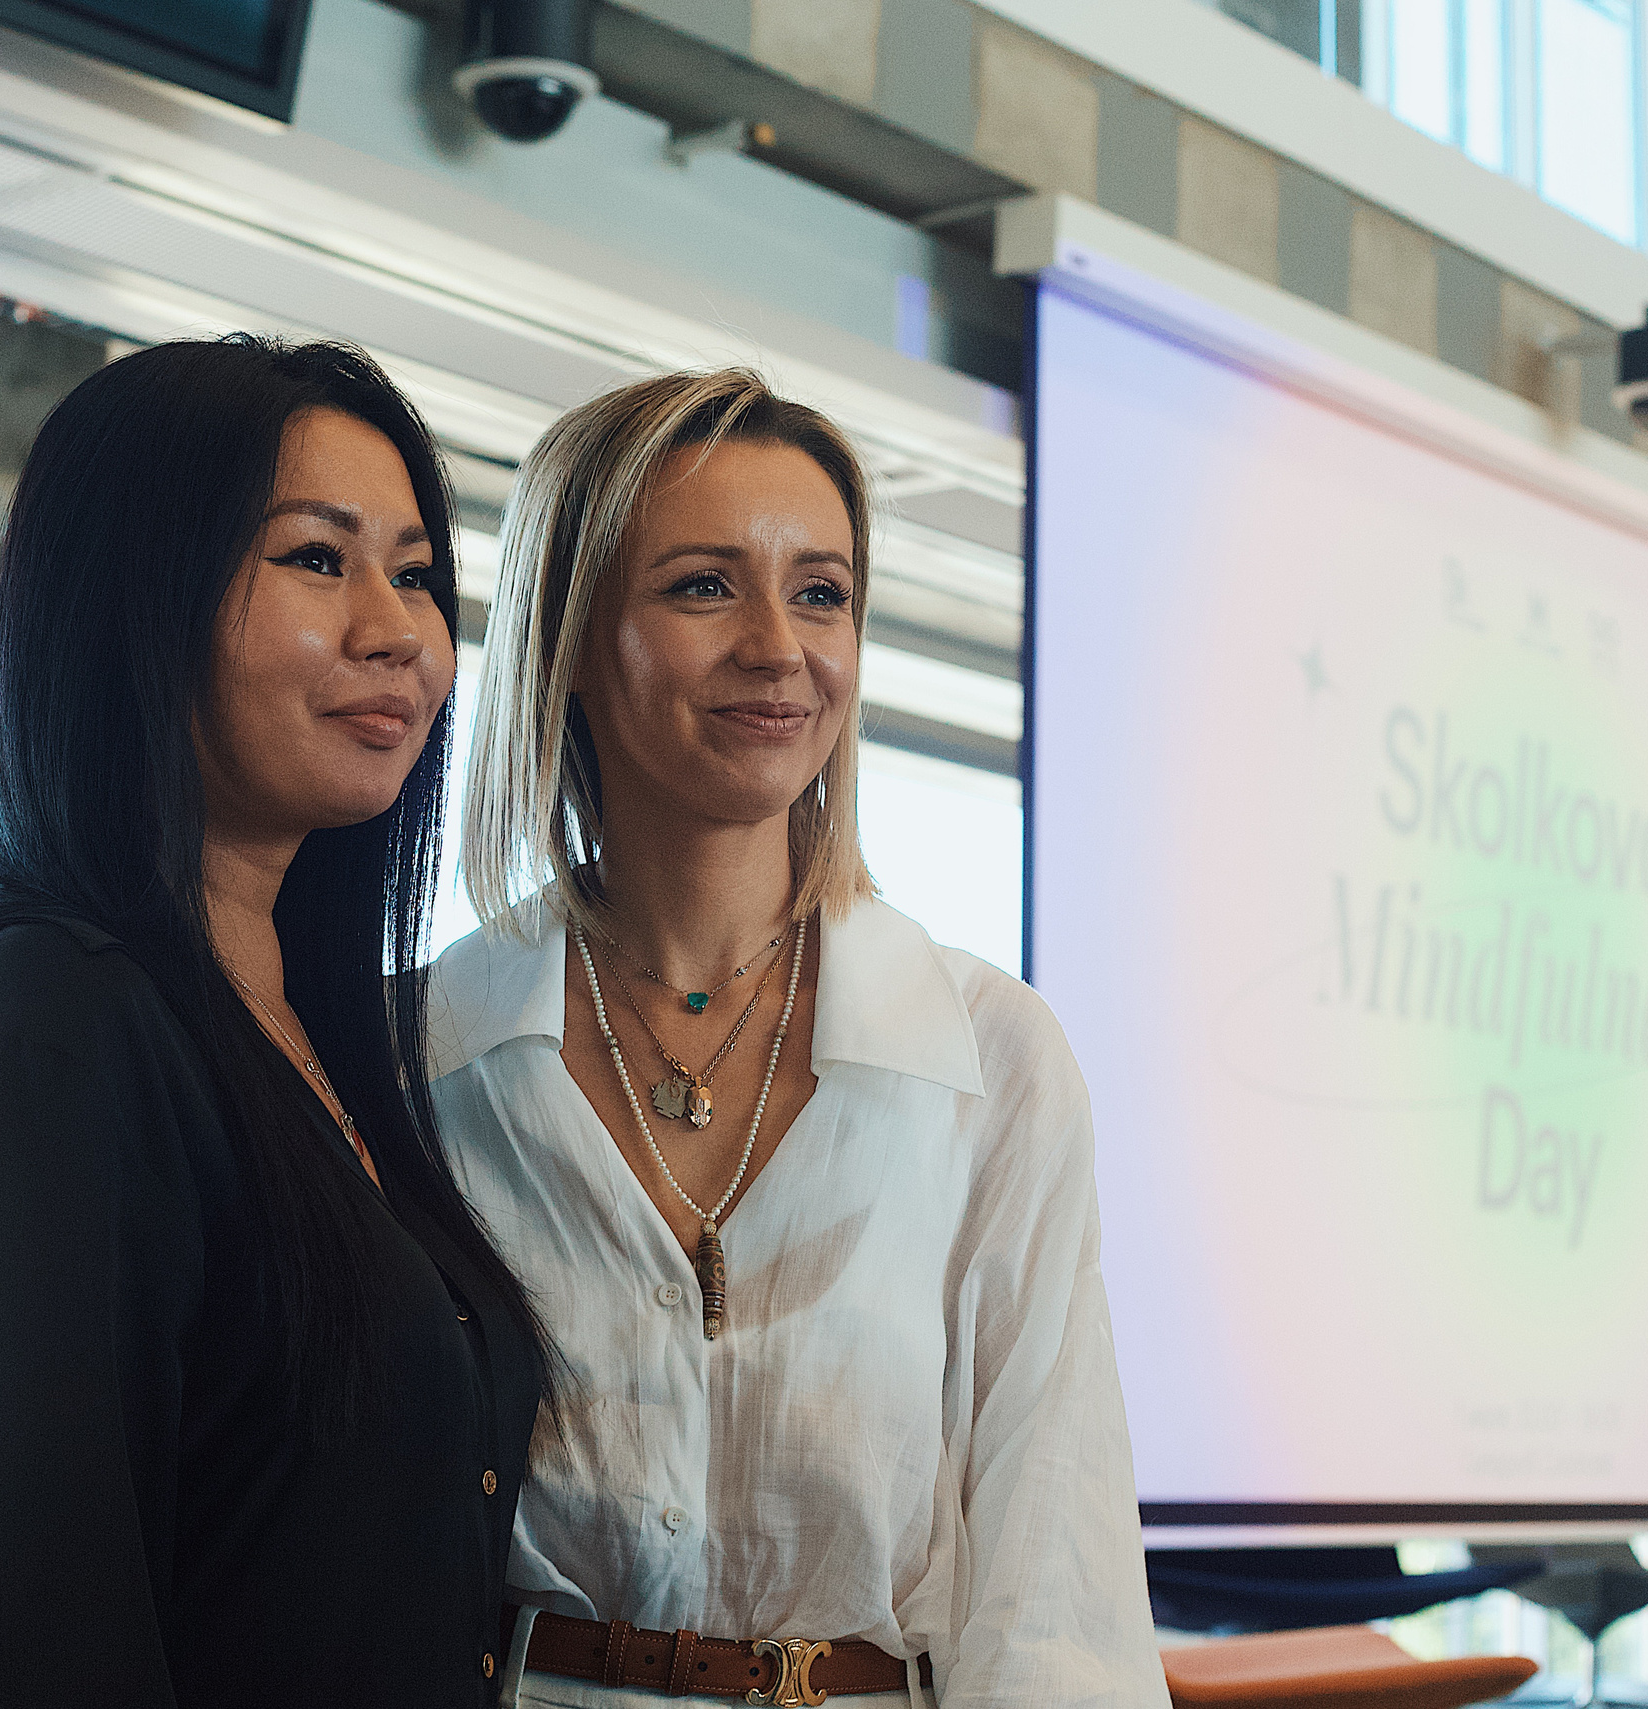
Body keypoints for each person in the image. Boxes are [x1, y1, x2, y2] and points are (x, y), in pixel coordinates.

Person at [0, 336, 546, 1708]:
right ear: (138, 600)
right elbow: (36, 1638)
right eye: (318, 560)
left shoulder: (328, 1034)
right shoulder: (51, 1024)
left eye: (415, 573)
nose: (395, 630)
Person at [430, 369, 1164, 1707]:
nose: (781, 645)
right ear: (572, 636)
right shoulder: (426, 1051)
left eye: (820, 590)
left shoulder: (991, 1059)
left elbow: (1055, 1589)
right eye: (706, 584)